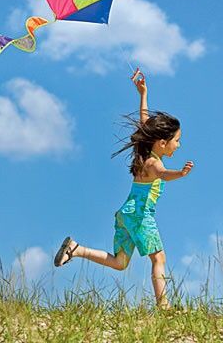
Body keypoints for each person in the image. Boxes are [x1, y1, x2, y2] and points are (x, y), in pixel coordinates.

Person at [53, 73, 194, 308]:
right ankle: (165, 306)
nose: (178, 145)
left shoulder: (146, 153)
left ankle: (76, 249)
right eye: (176, 140)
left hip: (125, 214)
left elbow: (144, 123)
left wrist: (143, 95)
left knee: (120, 263)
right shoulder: (153, 163)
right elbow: (162, 174)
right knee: (158, 258)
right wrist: (180, 173)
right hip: (139, 215)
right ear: (161, 143)